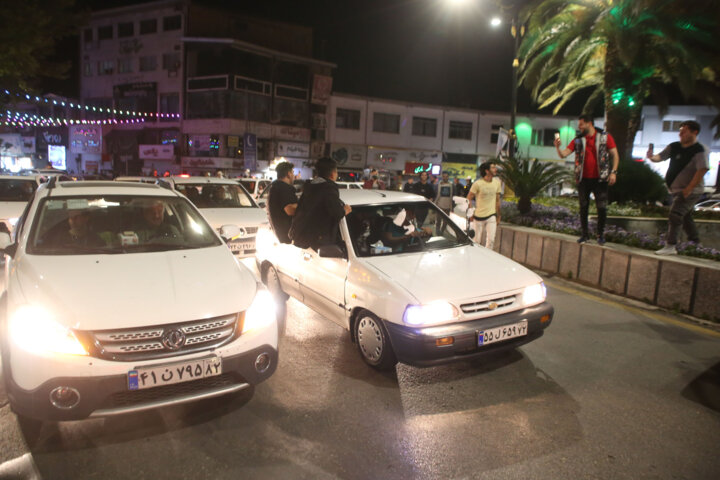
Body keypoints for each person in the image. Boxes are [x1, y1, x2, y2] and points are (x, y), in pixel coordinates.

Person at [554, 114, 619, 245]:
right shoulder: (578, 140)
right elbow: (564, 154)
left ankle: (600, 234)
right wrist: (557, 146)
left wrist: (613, 172)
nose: (579, 127)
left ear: (590, 123)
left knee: (601, 207)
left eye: (581, 124)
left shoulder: (605, 137)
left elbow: (615, 155)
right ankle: (585, 234)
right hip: (583, 179)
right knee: (583, 207)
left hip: (601, 179)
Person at [647, 120, 709, 255]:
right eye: (680, 130)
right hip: (675, 190)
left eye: (684, 130)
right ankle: (696, 244)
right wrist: (652, 157)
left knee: (675, 214)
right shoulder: (674, 146)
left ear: (694, 132)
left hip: (690, 191)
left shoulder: (698, 150)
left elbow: (702, 170)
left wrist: (689, 189)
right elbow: (660, 157)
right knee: (685, 217)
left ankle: (671, 245)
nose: (680, 133)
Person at [289, 157, 352, 250]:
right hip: (319, 243)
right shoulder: (329, 187)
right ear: (332, 174)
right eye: (336, 172)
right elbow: (337, 213)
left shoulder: (310, 186)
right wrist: (345, 210)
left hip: (302, 237)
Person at [467, 162, 502, 249]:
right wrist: (470, 213)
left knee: (491, 240)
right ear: (487, 171)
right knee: (476, 241)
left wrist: (499, 215)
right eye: (493, 167)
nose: (496, 169)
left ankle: (488, 259)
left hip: (491, 215)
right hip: (478, 216)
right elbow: (468, 199)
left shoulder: (497, 183)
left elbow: (497, 200)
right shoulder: (477, 184)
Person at [267, 161, 298, 244]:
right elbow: (289, 210)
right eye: (292, 172)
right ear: (288, 174)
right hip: (287, 238)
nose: (293, 176)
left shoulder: (275, 187)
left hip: (280, 235)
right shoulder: (284, 188)